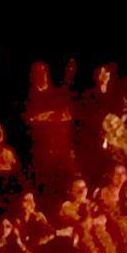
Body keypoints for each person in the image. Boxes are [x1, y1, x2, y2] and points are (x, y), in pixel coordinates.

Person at [24, 61, 77, 192]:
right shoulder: (29, 97)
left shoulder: (57, 94)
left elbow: (67, 115)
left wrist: (52, 116)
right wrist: (48, 116)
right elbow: (29, 118)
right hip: (42, 152)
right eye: (37, 72)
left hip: (61, 149)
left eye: (43, 71)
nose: (41, 75)